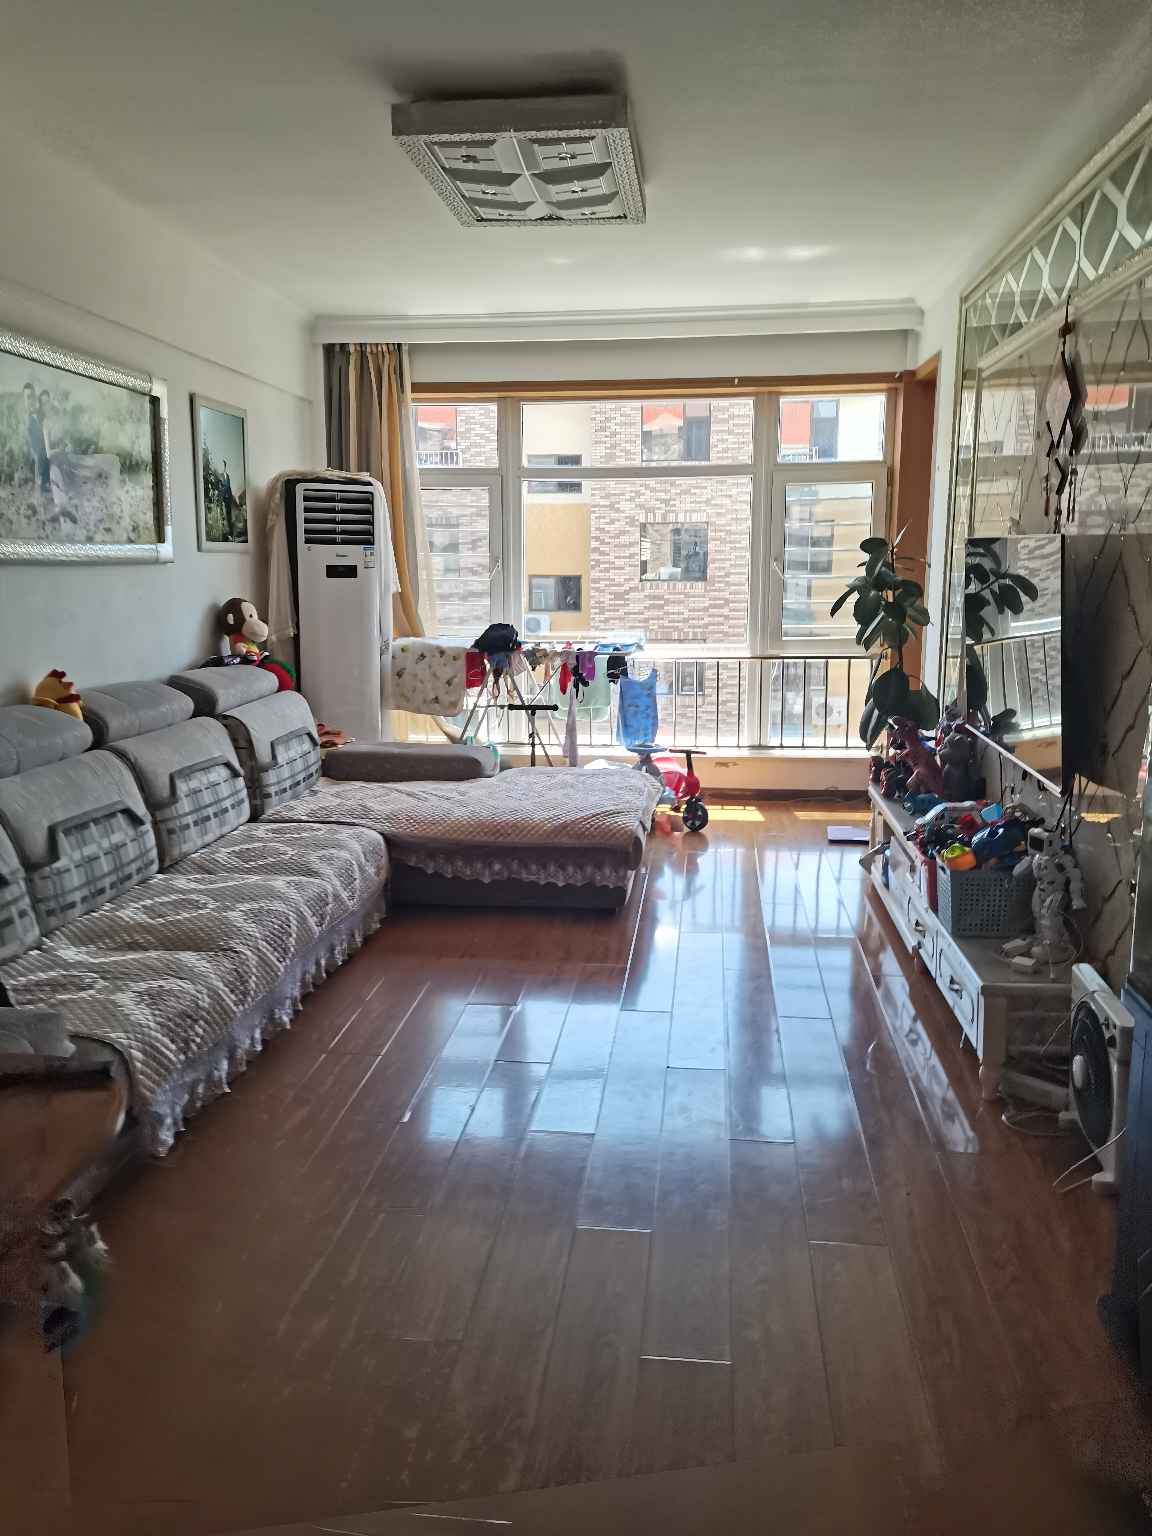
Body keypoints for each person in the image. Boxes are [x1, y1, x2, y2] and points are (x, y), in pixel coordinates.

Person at [23, 382, 49, 495]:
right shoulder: (24, 418)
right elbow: (27, 444)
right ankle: (38, 489)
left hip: (43, 453)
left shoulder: (41, 414)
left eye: (32, 396)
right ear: (24, 399)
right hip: (30, 455)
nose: (31, 400)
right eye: (28, 397)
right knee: (38, 455)